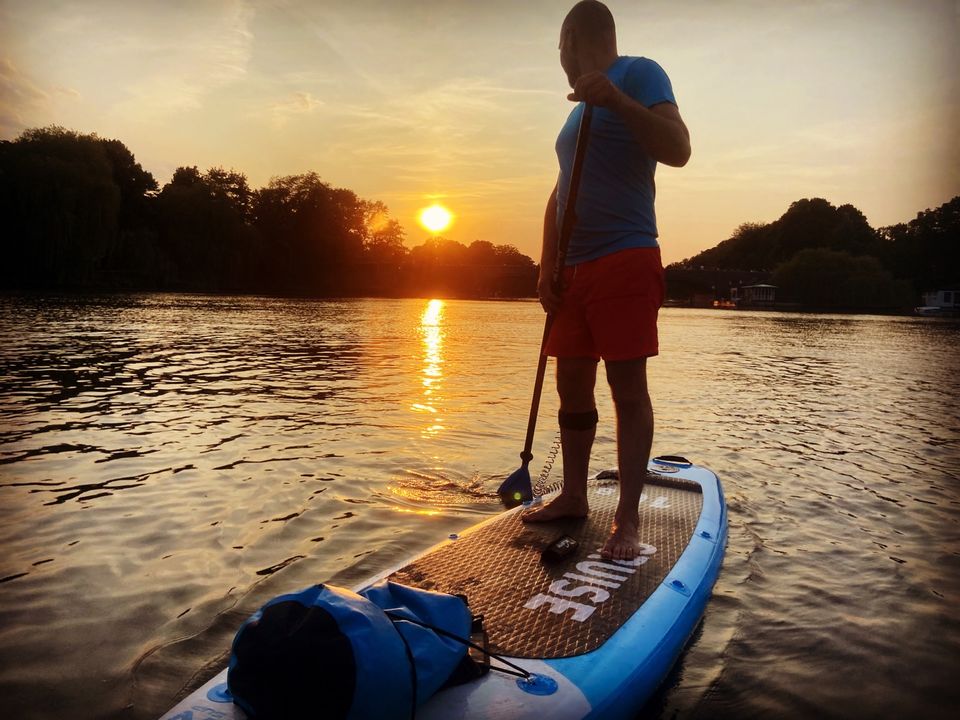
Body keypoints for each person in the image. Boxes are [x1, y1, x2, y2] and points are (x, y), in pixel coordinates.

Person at [521, 0, 690, 561]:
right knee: (572, 383)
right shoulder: (573, 116)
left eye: (560, 49)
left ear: (574, 38)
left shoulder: (640, 72)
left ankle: (628, 517)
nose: (561, 62)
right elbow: (558, 190)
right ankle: (573, 495)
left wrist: (616, 99)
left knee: (626, 387)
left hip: (626, 256)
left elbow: (679, 149)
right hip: (575, 271)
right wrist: (546, 267)